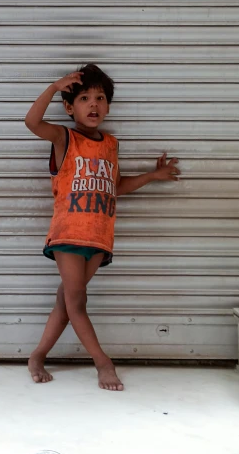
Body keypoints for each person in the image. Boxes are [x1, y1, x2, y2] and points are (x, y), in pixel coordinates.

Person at [24, 63, 180, 391]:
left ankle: (37, 355)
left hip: (98, 237)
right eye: (84, 98)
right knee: (77, 302)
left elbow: (115, 186)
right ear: (70, 107)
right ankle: (103, 363)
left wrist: (152, 176)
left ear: (108, 105)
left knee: (65, 301)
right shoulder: (64, 138)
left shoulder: (110, 144)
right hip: (68, 235)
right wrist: (54, 87)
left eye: (99, 98)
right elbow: (32, 122)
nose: (93, 104)